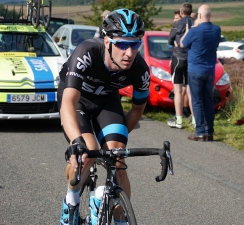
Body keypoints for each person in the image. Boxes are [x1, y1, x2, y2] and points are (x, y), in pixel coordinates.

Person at [57, 8, 149, 225]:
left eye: (135, 44)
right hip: (76, 100)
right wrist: (76, 143)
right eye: (122, 44)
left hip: (106, 102)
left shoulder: (140, 69)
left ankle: (120, 219)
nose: (129, 52)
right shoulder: (87, 51)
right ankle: (71, 199)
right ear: (107, 42)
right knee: (86, 154)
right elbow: (68, 102)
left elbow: (137, 109)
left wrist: (115, 142)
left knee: (117, 158)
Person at [180, 4, 221, 141]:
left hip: (195, 69)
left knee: (197, 101)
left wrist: (188, 30)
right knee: (208, 100)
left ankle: (199, 132)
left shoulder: (194, 31)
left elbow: (182, 44)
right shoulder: (216, 30)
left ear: (199, 15)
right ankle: (209, 131)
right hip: (210, 69)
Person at [167, 2, 194, 129]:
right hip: (192, 59)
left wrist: (175, 43)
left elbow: (169, 39)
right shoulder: (196, 23)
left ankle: (179, 120)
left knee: (177, 90)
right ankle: (194, 120)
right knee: (190, 90)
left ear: (181, 12)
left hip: (178, 58)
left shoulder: (178, 23)